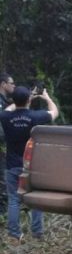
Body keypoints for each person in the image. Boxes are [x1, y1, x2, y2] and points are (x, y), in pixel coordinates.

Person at [0, 86, 59, 242]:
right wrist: (47, 98)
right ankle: (37, 233)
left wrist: (22, 100)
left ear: (13, 100)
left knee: (13, 199)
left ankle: (14, 234)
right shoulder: (35, 116)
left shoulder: (5, 117)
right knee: (35, 198)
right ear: (28, 100)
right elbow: (54, 113)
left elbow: (8, 109)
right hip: (32, 165)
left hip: (12, 165)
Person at [0, 72, 14, 212]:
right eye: (11, 83)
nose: (13, 85)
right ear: (3, 84)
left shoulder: (5, 102)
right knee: (2, 179)